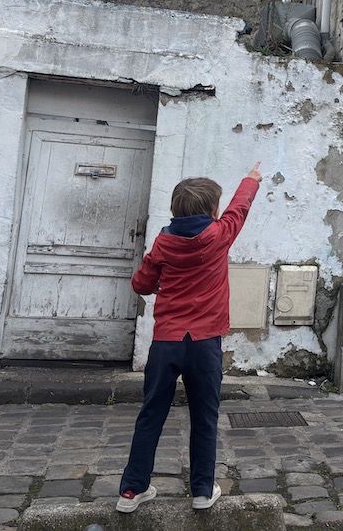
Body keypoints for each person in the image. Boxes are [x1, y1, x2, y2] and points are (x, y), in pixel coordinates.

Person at [116, 161, 263, 513]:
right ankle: (200, 491)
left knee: (151, 414)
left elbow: (142, 284)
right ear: (212, 210)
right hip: (205, 344)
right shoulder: (219, 235)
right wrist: (250, 178)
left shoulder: (164, 242)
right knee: (204, 417)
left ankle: (132, 491)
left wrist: (158, 274)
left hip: (166, 342)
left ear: (175, 210)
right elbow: (238, 209)